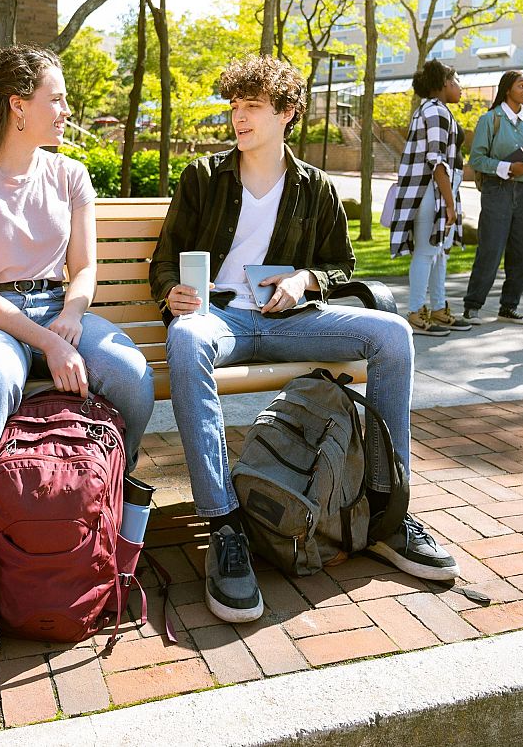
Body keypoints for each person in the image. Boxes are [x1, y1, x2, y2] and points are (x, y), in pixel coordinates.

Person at [151, 55, 459, 625]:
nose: (238, 118)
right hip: (221, 320)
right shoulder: (203, 177)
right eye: (235, 106)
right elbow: (165, 259)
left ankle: (387, 511)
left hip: (289, 320)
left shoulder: (315, 186)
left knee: (391, 333)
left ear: (287, 113)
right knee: (187, 340)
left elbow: (342, 265)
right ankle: (224, 526)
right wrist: (172, 292)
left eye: (253, 107)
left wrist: (306, 280)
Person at [0, 45, 156, 661]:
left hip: (60, 309)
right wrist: (49, 342)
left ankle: (97, 507)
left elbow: (84, 270)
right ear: (17, 107)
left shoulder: (70, 174)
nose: (66, 110)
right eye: (56, 98)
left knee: (130, 374)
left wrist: (72, 317)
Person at [384, 60, 469, 337]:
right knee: (426, 252)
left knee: (438, 253)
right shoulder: (435, 110)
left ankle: (437, 308)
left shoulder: (436, 110)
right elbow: (437, 159)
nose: (460, 88)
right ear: (444, 83)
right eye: (456, 81)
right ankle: (415, 312)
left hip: (434, 192)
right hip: (428, 193)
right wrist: (449, 202)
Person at [462, 70, 523, 325]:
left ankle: (509, 307)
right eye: (522, 85)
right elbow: (476, 159)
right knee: (490, 250)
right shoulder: (491, 120)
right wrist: (508, 167)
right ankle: (472, 307)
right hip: (497, 191)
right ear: (508, 89)